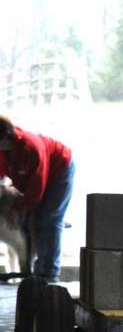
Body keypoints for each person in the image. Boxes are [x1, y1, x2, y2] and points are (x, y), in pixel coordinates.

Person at [0, 115, 75, 282]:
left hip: (59, 169)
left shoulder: (31, 147)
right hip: (34, 176)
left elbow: (35, 192)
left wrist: (15, 208)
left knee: (49, 218)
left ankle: (49, 272)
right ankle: (34, 271)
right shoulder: (4, 149)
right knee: (33, 222)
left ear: (5, 138)